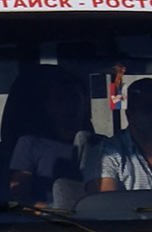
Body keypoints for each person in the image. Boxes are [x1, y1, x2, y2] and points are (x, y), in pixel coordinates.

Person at [8, 70, 93, 204]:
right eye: (61, 100)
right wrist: (50, 213)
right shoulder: (30, 145)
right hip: (45, 222)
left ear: (85, 103)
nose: (70, 106)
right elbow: (19, 197)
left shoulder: (104, 146)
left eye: (75, 98)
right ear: (48, 107)